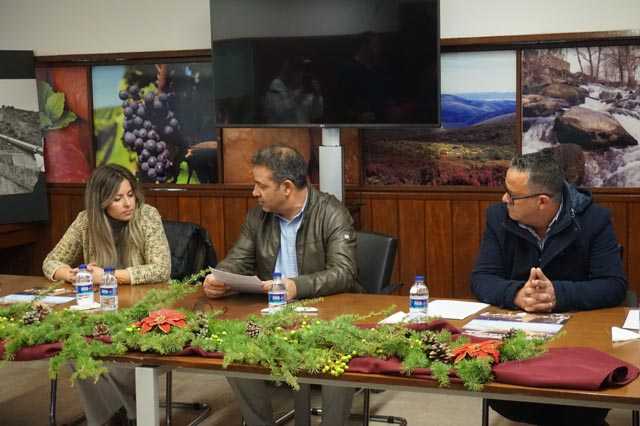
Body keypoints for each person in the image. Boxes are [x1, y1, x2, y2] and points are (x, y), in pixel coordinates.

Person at [203, 144, 362, 426]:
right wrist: (219, 278)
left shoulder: (332, 212)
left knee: (338, 351)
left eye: (261, 185)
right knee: (234, 344)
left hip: (325, 319)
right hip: (270, 319)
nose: (254, 192)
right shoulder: (258, 216)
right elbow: (237, 260)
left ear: (286, 187)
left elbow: (344, 272)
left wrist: (296, 286)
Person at [471, 151, 627, 425]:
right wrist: (517, 294)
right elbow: (482, 277)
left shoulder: (594, 220)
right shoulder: (498, 217)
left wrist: (558, 294)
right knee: (507, 394)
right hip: (518, 341)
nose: (504, 199)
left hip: (579, 344)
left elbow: (613, 285)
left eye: (512, 195)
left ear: (542, 201)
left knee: (578, 408)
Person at [43, 163, 171, 426]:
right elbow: (51, 261)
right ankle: (115, 417)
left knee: (117, 357)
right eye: (117, 198)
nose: (127, 203)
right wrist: (71, 274)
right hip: (100, 311)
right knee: (73, 348)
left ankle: (126, 416)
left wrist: (109, 276)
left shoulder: (147, 215)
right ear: (100, 201)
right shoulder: (85, 221)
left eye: (130, 195)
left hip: (144, 311)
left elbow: (161, 269)